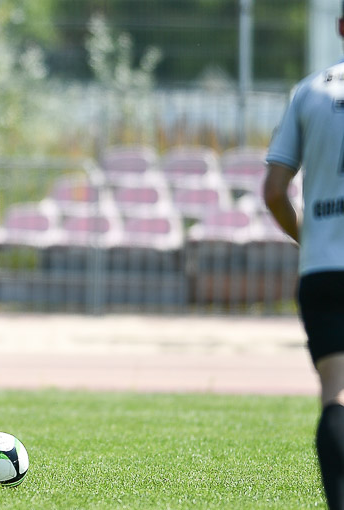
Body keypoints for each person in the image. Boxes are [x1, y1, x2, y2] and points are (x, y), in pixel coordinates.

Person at [264, 5, 344, 508]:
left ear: (341, 26)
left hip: (325, 267)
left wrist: (307, 239)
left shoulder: (311, 90)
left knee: (336, 391)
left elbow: (275, 190)